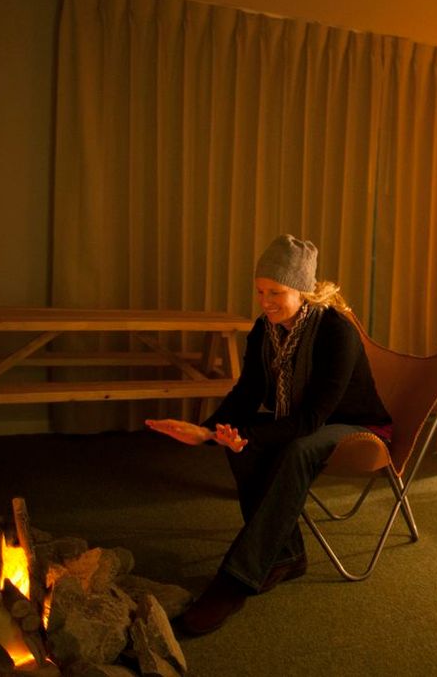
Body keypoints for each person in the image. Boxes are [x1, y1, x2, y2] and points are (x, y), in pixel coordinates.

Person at [146, 234, 391, 635]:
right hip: (308, 423)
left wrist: (250, 436)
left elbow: (312, 418)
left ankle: (234, 582)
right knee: (242, 443)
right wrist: (207, 431)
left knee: (294, 449)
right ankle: (286, 554)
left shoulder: (336, 332)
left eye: (275, 292)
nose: (265, 302)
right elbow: (248, 392)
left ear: (302, 291)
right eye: (260, 291)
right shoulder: (265, 329)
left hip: (357, 427)